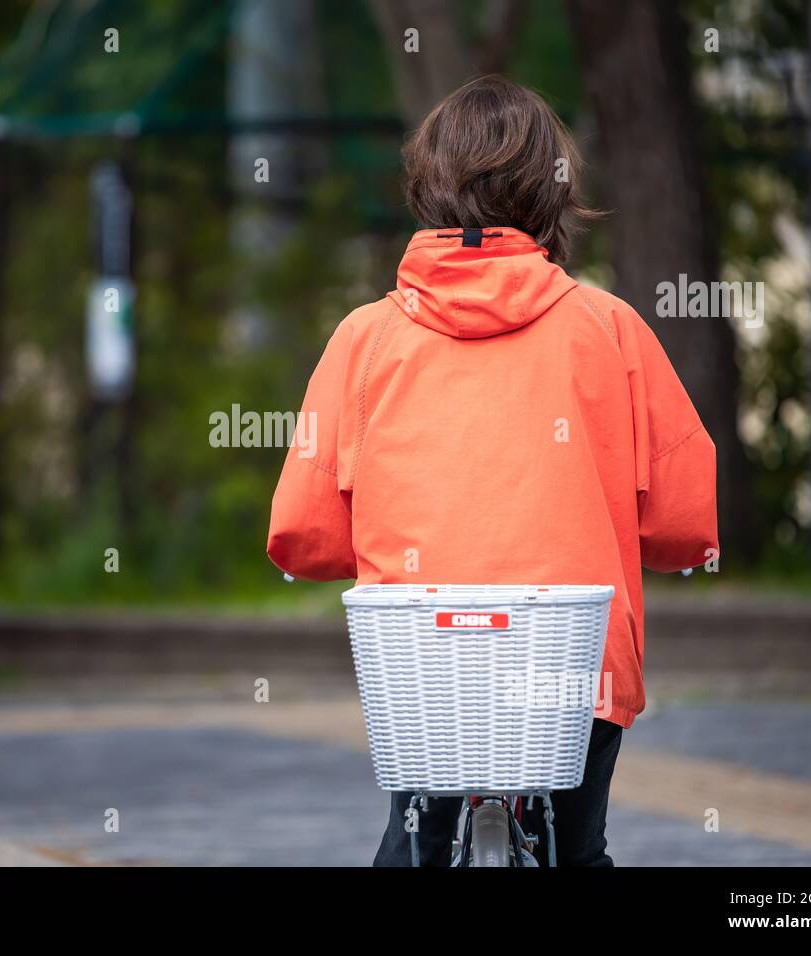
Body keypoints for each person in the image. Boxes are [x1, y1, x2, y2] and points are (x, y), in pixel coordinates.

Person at [266, 76, 719, 866]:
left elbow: (301, 533)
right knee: (577, 851)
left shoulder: (364, 340)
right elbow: (684, 526)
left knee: (415, 842)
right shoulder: (609, 329)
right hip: (575, 674)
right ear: (553, 193)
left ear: (427, 188)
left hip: (424, 670)